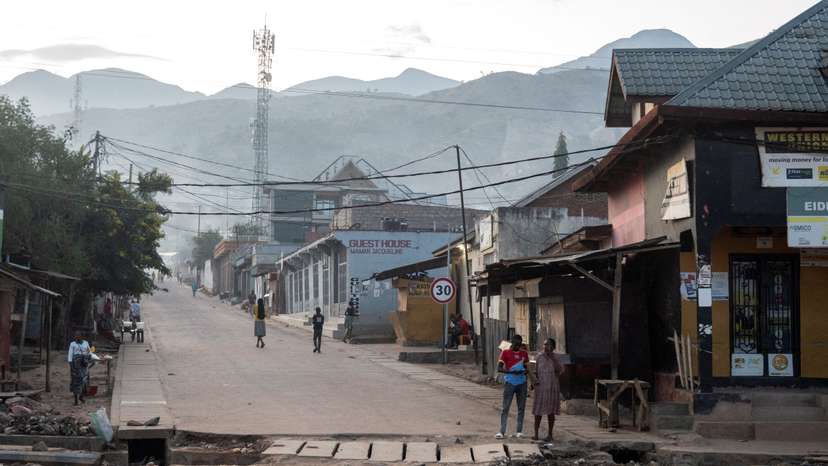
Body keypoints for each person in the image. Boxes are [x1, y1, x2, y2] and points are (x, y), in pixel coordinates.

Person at [496, 334, 530, 439]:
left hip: (522, 382)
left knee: (521, 408)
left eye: (519, 345)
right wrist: (511, 371)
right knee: (505, 407)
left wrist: (524, 371)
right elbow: (499, 368)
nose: (517, 347)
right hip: (510, 382)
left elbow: (527, 368)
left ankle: (519, 431)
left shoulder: (524, 353)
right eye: (516, 344)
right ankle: (502, 431)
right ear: (512, 342)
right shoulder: (505, 353)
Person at [531, 338, 564, 442]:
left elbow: (560, 371)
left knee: (551, 412)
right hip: (540, 388)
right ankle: (536, 434)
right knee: (538, 411)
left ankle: (550, 434)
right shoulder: (539, 357)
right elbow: (535, 372)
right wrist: (533, 383)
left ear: (553, 347)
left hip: (552, 388)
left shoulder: (557, 358)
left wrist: (553, 359)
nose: (545, 347)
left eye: (548, 345)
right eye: (544, 344)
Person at [67, 332, 91, 405]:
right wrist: (71, 365)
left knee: (84, 380)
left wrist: (88, 358)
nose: (76, 337)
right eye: (75, 336)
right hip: (75, 365)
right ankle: (76, 400)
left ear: (82, 337)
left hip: (83, 364)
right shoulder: (72, 344)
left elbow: (89, 353)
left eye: (78, 336)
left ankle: (81, 396)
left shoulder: (86, 343)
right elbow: (70, 355)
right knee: (75, 381)